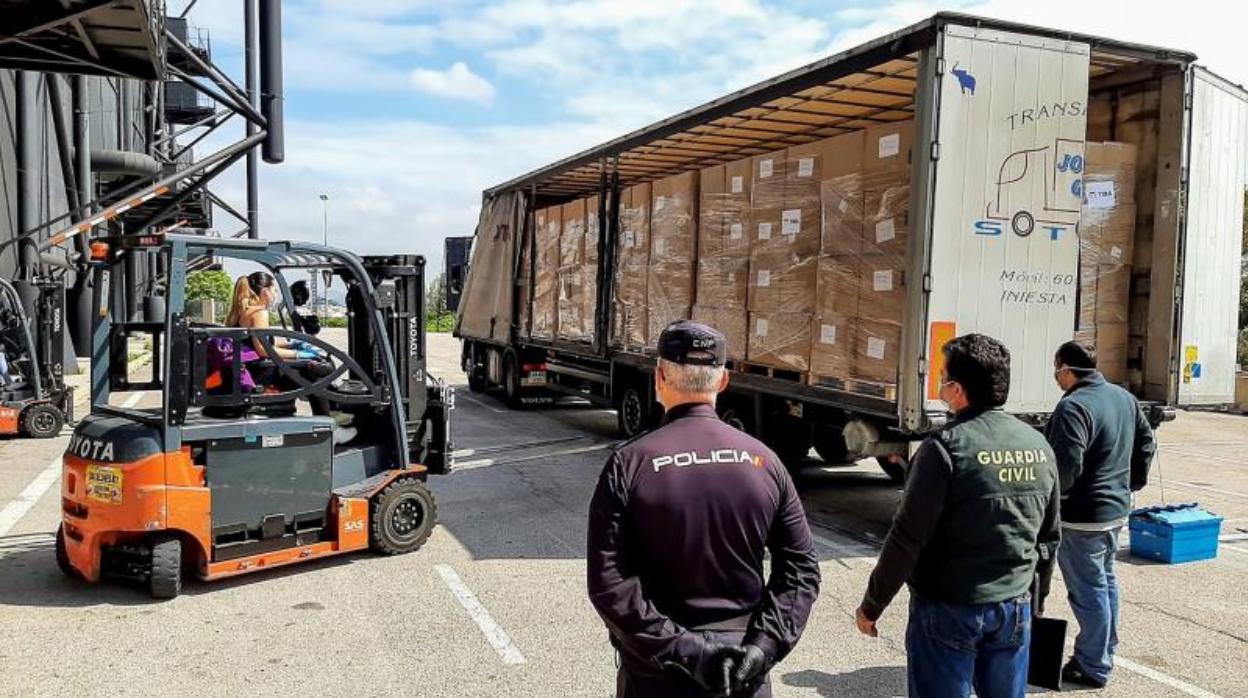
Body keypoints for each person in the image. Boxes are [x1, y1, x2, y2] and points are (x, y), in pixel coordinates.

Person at [586, 320, 820, 698]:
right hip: (744, 668)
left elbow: (609, 584)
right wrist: (765, 647)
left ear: (659, 377)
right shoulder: (765, 462)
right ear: (723, 381)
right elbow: (800, 570)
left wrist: (686, 651)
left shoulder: (630, 464)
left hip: (659, 671)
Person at [855, 333, 1061, 698]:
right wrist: (1037, 602)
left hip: (949, 609)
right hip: (1014, 607)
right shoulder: (1038, 445)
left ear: (958, 389)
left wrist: (872, 605)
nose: (940, 385)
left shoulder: (945, 448)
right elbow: (1049, 537)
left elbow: (907, 537)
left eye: (943, 377)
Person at [1047, 341, 1155, 688]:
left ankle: (1093, 664)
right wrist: (1133, 482)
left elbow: (1066, 464)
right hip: (1113, 510)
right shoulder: (1122, 397)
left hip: (1082, 516)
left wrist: (1054, 499)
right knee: (1104, 582)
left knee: (1088, 590)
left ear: (1065, 369)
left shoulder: (1074, 406)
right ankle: (1103, 651)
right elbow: (1147, 441)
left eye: (1056, 370)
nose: (1056, 378)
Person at [223, 272, 352, 440]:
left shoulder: (243, 312)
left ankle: (331, 415)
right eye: (274, 290)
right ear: (265, 292)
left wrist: (293, 343)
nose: (275, 294)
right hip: (263, 374)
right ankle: (330, 428)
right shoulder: (259, 312)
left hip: (253, 369)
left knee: (314, 365)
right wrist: (298, 354)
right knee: (318, 370)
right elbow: (263, 350)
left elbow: (259, 343)